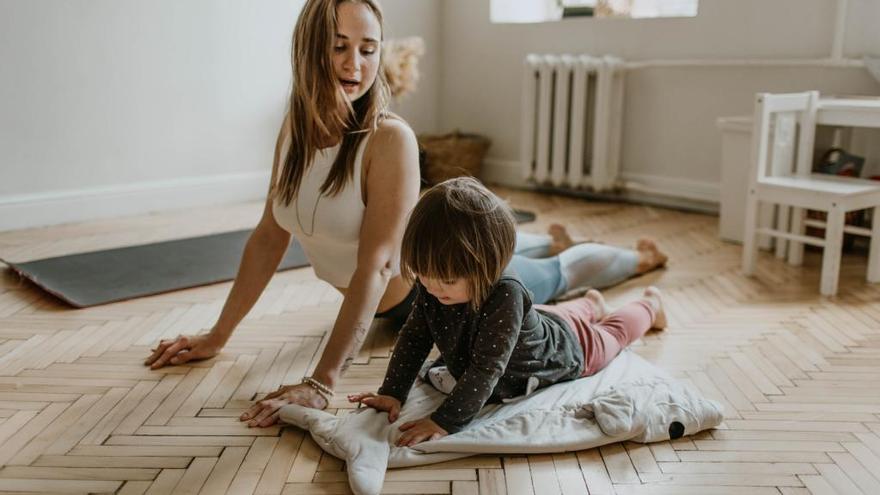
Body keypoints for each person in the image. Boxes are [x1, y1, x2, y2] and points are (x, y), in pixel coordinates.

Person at [143, 0, 667, 428]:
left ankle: (636, 261)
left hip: (437, 292)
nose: (355, 65)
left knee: (555, 275)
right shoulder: (294, 132)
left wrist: (323, 381)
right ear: (308, 50)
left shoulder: (388, 139)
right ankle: (546, 245)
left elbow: (374, 267)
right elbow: (267, 237)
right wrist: (217, 336)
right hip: (426, 275)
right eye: (339, 47)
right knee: (537, 263)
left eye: (368, 50)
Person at [348, 178, 666, 446]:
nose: (431, 287)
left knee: (613, 333)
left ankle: (650, 305)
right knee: (556, 315)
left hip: (567, 348)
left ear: (487, 267)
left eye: (445, 280)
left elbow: (487, 369)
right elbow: (415, 337)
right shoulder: (435, 286)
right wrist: (392, 392)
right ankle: (591, 303)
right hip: (538, 320)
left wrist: (444, 421)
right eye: (423, 275)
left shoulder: (506, 293)